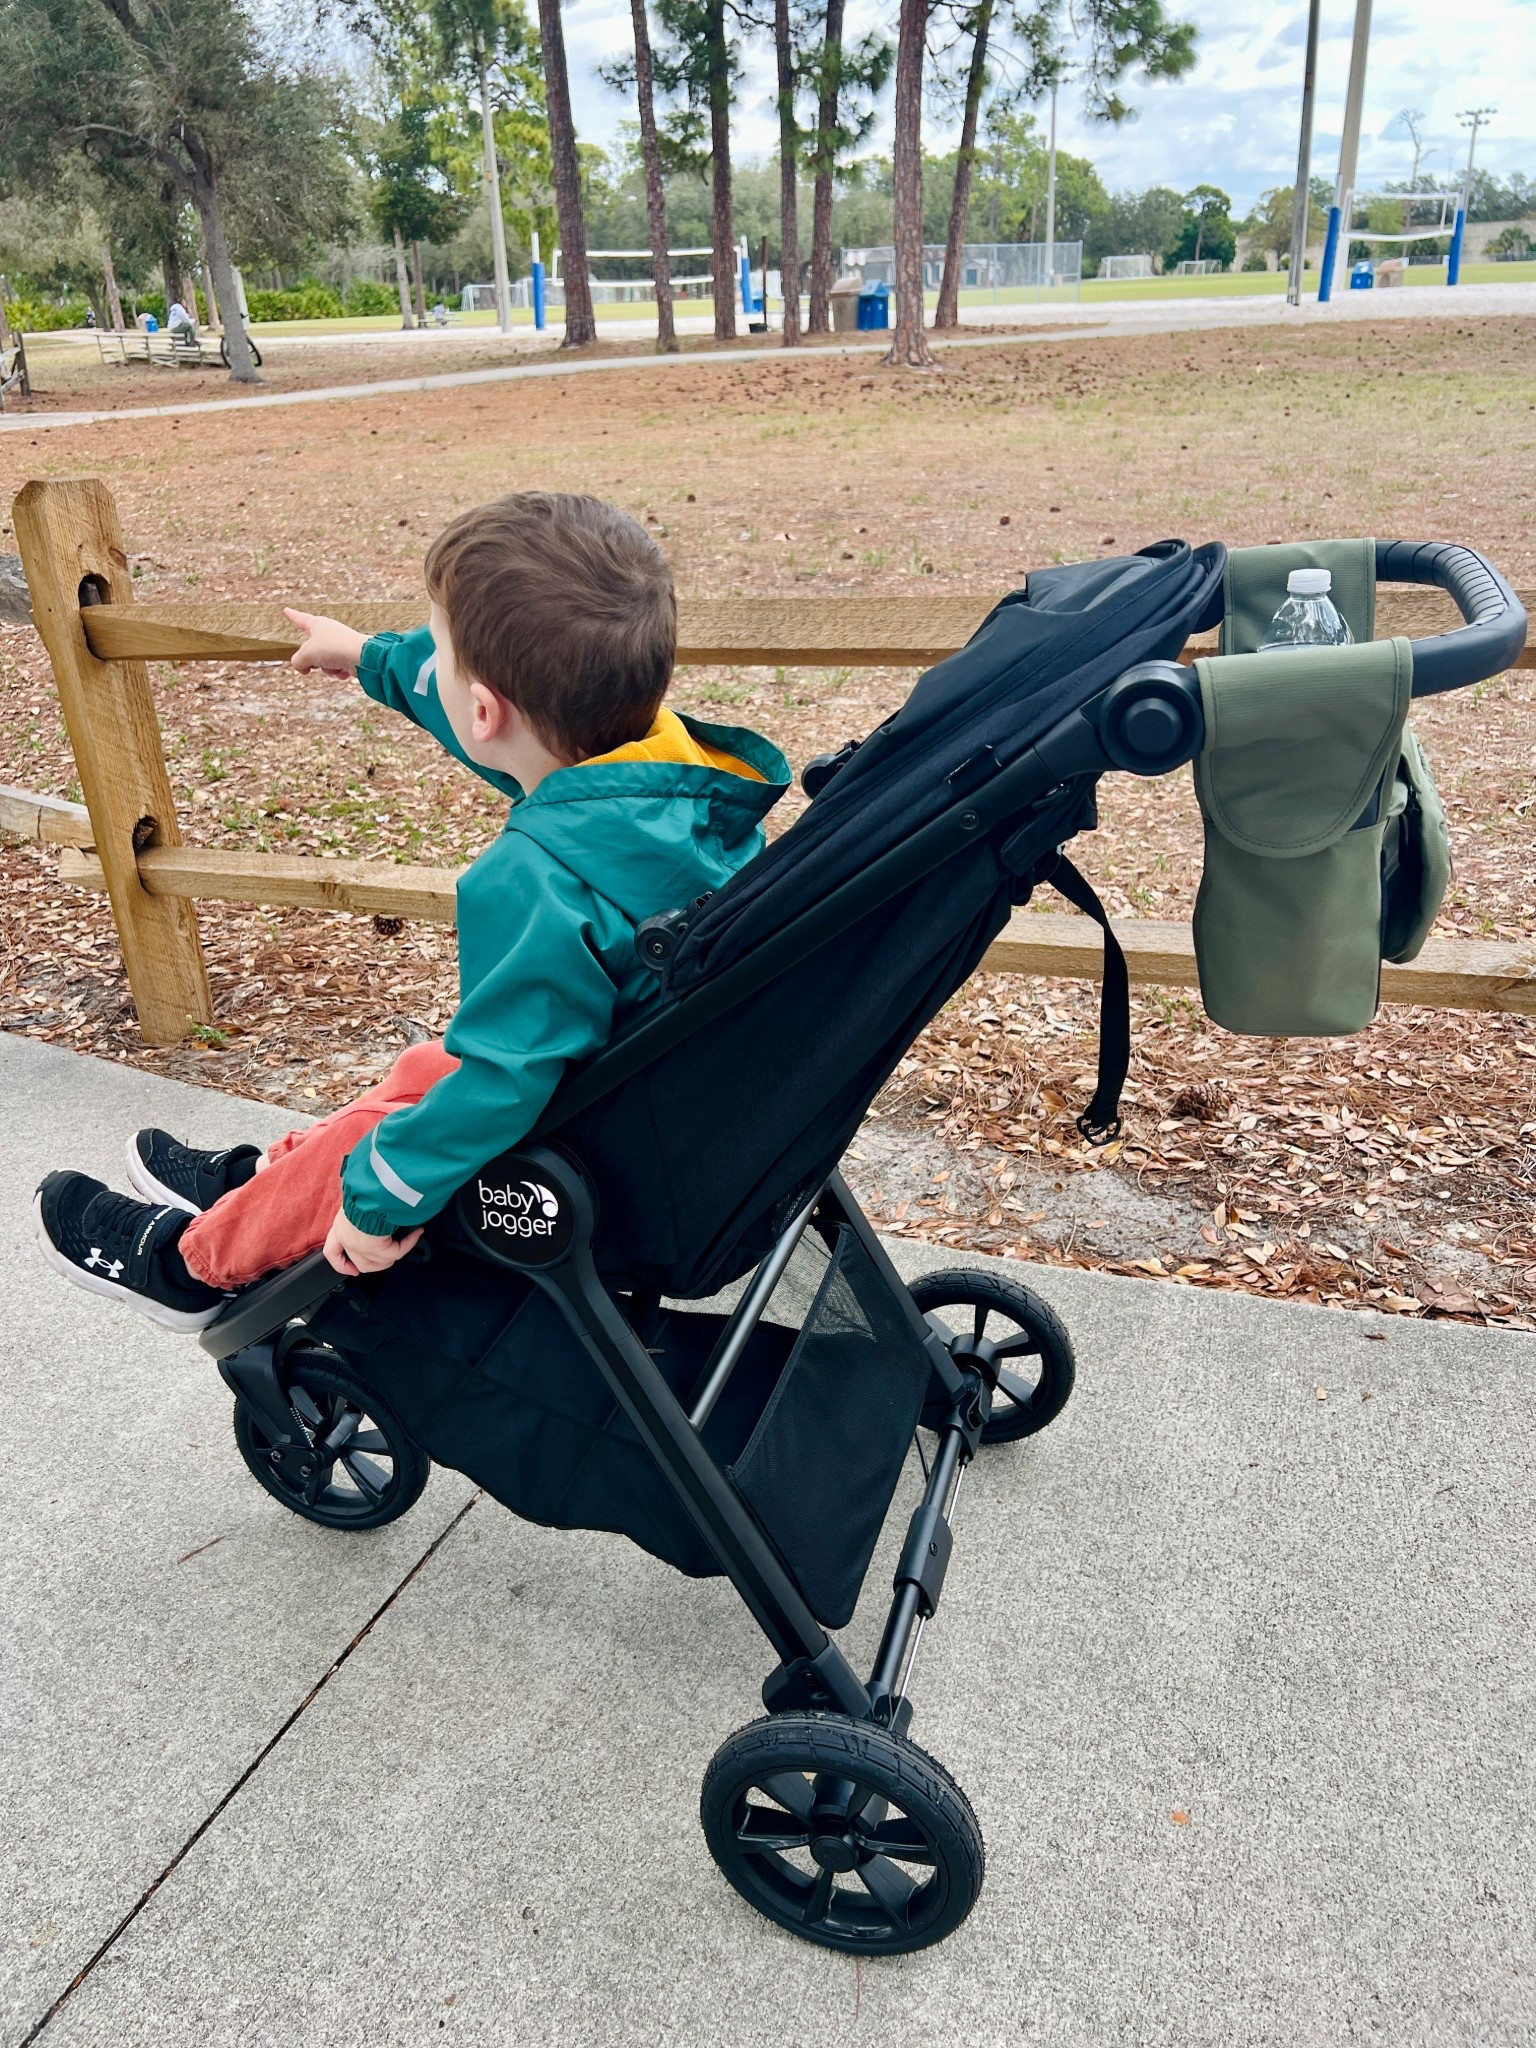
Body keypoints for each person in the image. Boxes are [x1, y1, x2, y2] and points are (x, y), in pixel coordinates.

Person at [34, 493, 788, 1330]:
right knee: (427, 1066)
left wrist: (377, 1202)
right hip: (657, 1099)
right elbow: (472, 708)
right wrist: (366, 656)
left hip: (580, 1151)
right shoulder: (662, 779)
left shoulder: (539, 878)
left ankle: (195, 1262)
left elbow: (504, 1083)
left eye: (442, 647)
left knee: (398, 1135)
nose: (436, 658)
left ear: (487, 711)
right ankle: (273, 1184)